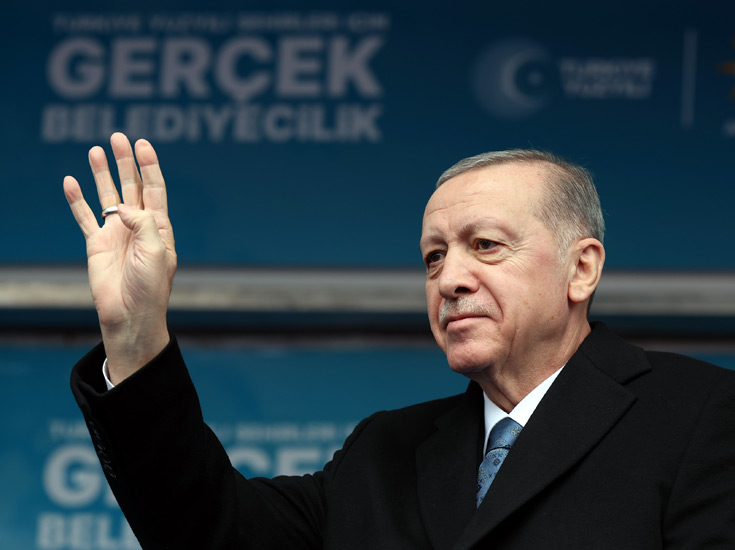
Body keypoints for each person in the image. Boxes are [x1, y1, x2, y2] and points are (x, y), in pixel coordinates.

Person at [65, 133, 735, 549]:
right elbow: (209, 532)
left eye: (485, 246)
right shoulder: (384, 450)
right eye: (433, 257)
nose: (450, 279)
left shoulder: (701, 415)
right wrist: (135, 334)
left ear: (581, 269)